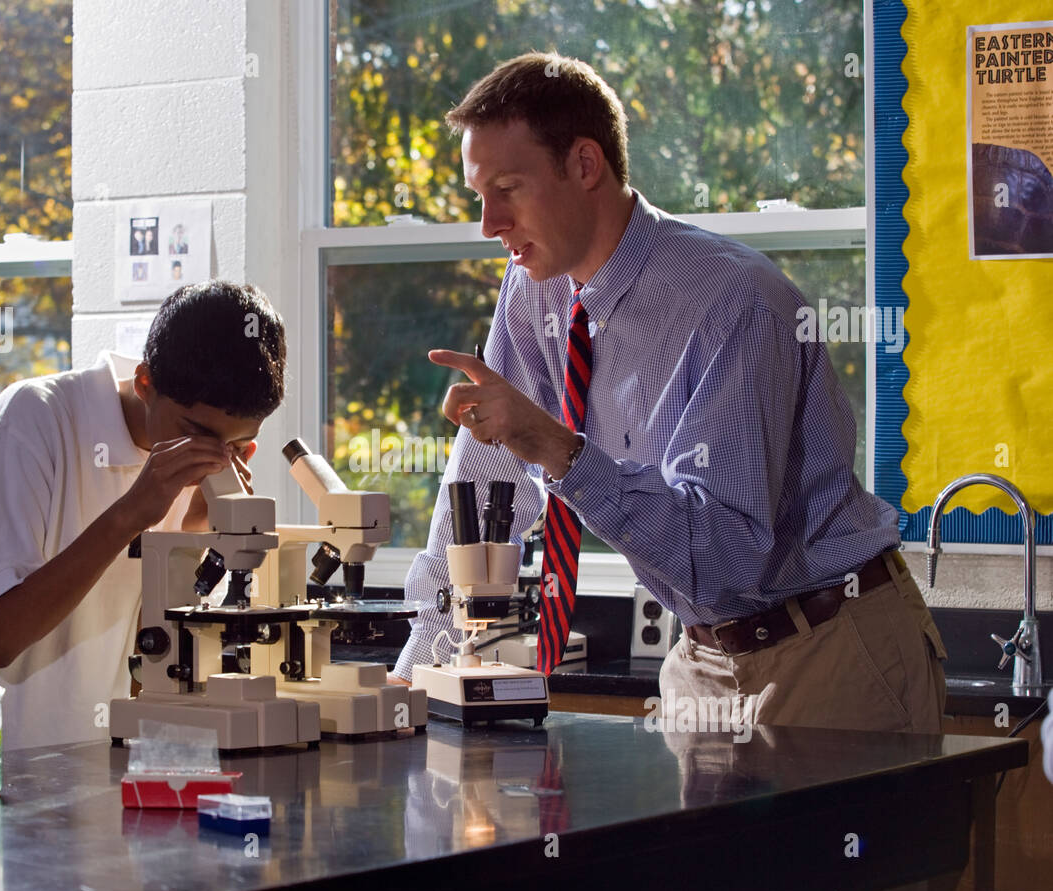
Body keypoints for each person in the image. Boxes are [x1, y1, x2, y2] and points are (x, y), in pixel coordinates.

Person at [393, 52, 948, 734]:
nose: (489, 223)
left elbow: (727, 557)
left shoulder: (733, 302)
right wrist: (418, 663)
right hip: (701, 659)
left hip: (829, 647)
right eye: (479, 195)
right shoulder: (532, 290)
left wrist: (562, 452)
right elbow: (488, 479)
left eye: (508, 188)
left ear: (585, 165)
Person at [0, 280, 286, 765]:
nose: (214, 457)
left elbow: (149, 654)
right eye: (197, 435)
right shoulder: (33, 419)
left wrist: (187, 540)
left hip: (67, 758)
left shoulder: (185, 466)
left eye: (238, 445)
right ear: (146, 383)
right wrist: (133, 512)